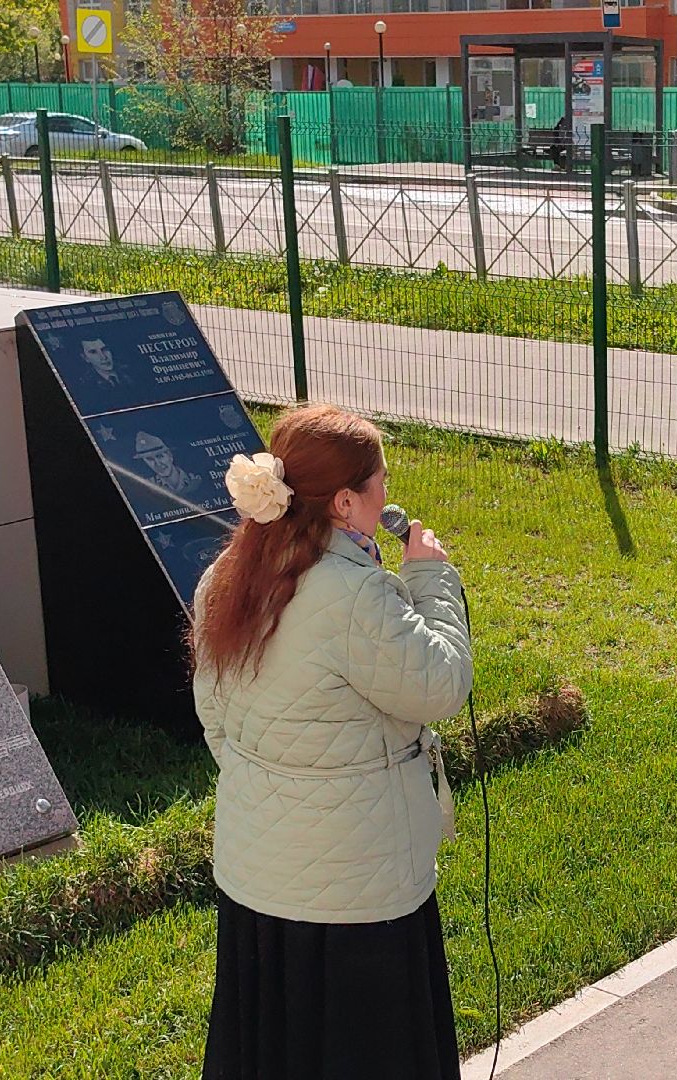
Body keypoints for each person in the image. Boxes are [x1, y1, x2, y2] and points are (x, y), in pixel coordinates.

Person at [191, 404, 472, 1080]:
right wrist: (431, 579)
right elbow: (440, 686)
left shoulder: (227, 577)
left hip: (259, 878)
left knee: (276, 1050)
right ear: (345, 502)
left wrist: (280, 788)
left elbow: (217, 722)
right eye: (379, 484)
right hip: (358, 889)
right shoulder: (354, 597)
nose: (388, 499)